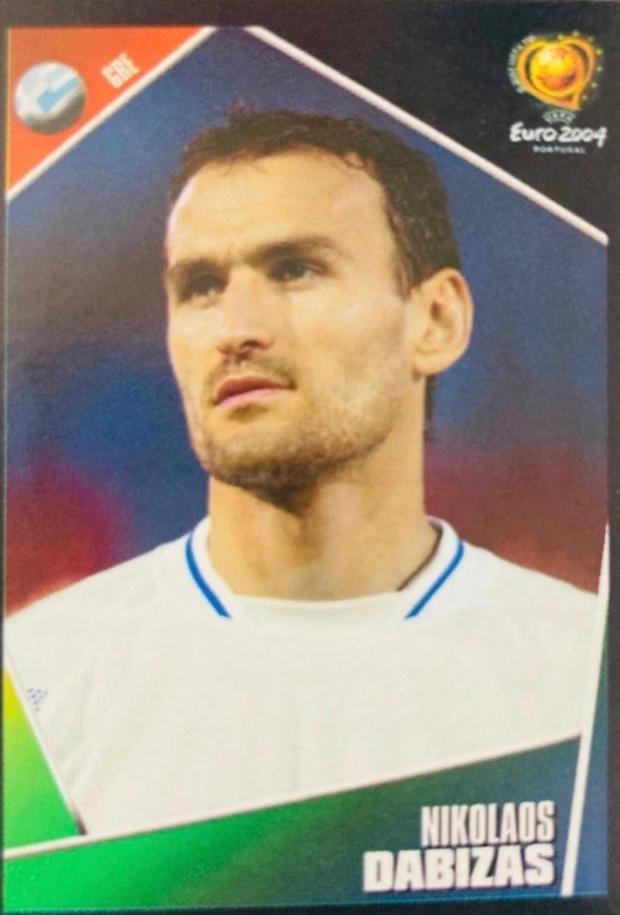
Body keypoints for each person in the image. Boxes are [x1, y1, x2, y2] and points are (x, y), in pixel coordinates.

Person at [7, 108, 597, 836]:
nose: (235, 330)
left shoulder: (582, 676)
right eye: (200, 286)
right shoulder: (35, 684)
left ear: (437, 320)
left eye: (294, 270)